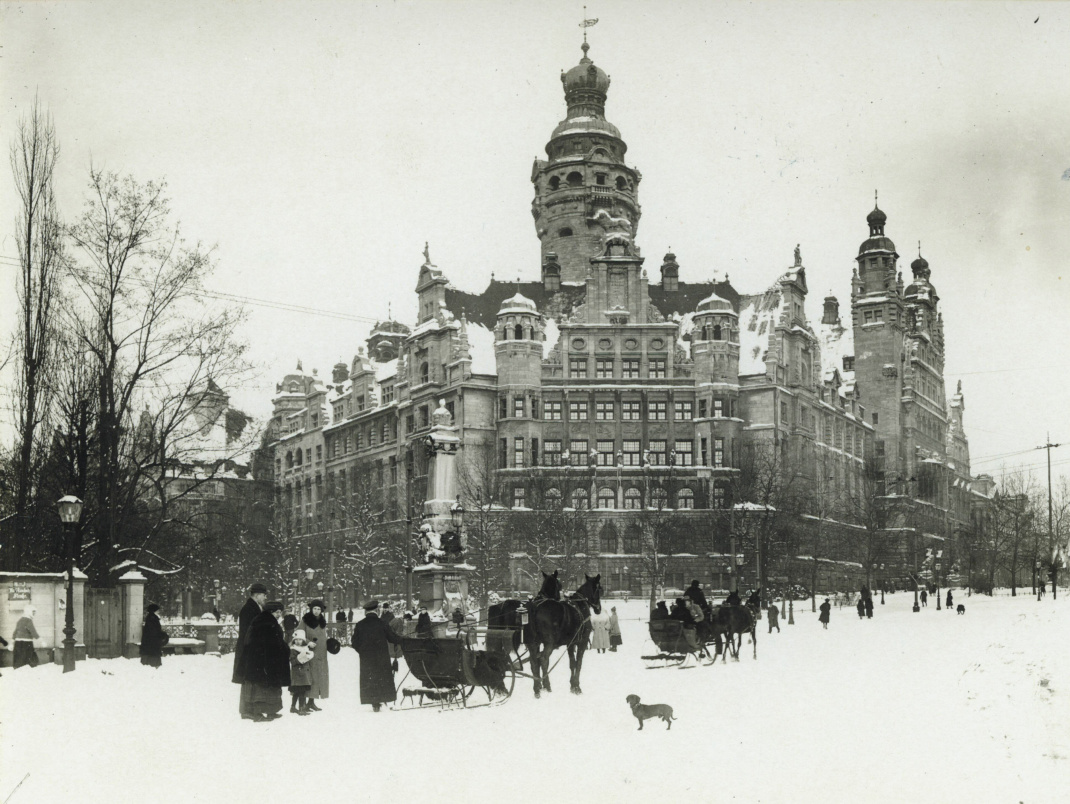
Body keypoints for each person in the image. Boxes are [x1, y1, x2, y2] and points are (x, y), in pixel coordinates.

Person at [351, 600, 403, 712]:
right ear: (376, 610)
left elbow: (354, 642)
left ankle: (373, 701)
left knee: (369, 678)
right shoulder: (383, 623)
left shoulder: (360, 624)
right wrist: (402, 639)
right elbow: (392, 638)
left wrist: (363, 651)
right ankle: (381, 699)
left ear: (366, 611)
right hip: (382, 658)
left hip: (366, 658)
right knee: (381, 678)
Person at [243, 600, 290, 721]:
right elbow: (263, 642)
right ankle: (258, 714)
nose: (279, 614)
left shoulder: (269, 621)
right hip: (263, 660)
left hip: (270, 659)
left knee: (271, 686)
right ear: (270, 612)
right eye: (277, 612)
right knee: (261, 687)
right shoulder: (264, 622)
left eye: (280, 612)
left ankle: (271, 711)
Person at [233, 582, 269, 720]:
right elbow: (251, 631)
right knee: (251, 680)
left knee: (249, 679)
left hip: (250, 648)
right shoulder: (250, 609)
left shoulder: (253, 607)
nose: (265, 597)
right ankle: (251, 711)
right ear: (257, 595)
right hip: (251, 649)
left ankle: (247, 710)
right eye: (264, 595)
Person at [303, 599, 329, 711]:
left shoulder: (322, 621)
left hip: (321, 654)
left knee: (318, 678)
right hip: (309, 653)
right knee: (309, 678)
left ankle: (311, 701)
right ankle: (303, 703)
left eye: (319, 609)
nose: (317, 611)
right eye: (315, 609)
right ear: (311, 609)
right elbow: (298, 634)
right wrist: (308, 642)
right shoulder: (305, 620)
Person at [288, 629, 315, 715]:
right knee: (301, 692)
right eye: (296, 639)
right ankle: (301, 709)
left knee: (298, 692)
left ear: (303, 640)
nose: (298, 641)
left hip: (304, 675)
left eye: (300, 639)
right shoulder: (293, 649)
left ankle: (293, 707)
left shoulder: (305, 648)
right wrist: (300, 658)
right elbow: (292, 661)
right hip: (298, 675)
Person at [139, 603, 168, 668]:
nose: (158, 611)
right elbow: (153, 630)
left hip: (150, 640)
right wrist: (161, 635)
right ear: (154, 610)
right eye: (157, 610)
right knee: (153, 654)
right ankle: (153, 666)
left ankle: (150, 665)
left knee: (149, 653)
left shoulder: (151, 617)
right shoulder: (152, 618)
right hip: (152, 640)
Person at [380, 602, 403, 673]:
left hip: (389, 634)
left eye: (386, 608)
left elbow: (394, 626)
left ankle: (392, 665)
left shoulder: (391, 616)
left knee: (390, 650)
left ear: (389, 609)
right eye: (384, 608)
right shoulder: (382, 615)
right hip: (383, 634)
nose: (385, 610)